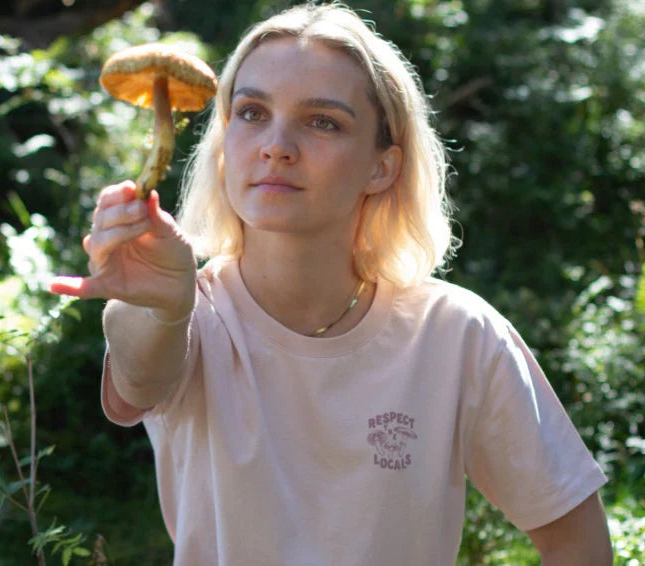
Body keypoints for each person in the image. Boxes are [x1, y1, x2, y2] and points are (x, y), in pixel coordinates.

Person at [50, 3, 612, 564]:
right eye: (252, 113)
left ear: (382, 166)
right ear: (223, 149)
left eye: (323, 121)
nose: (277, 145)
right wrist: (164, 306)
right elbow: (138, 381)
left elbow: (577, 540)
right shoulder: (190, 312)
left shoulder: (457, 335)